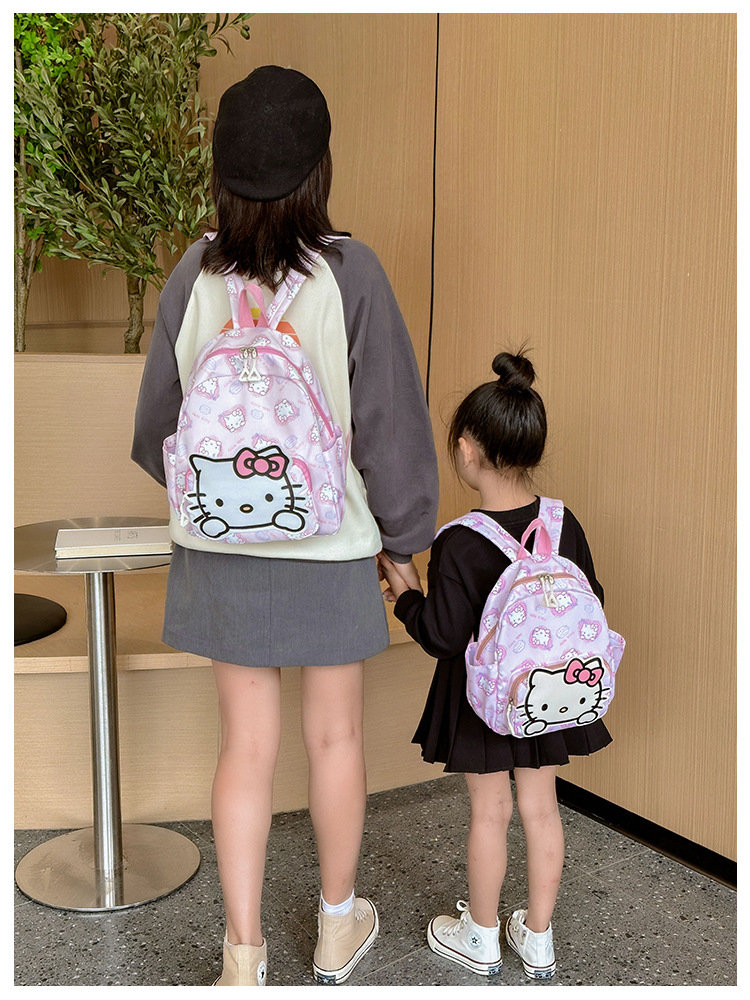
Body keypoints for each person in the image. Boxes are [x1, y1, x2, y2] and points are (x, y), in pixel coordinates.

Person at [131, 65, 438, 987]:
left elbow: (157, 431)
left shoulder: (192, 273)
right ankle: (338, 929)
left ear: (221, 171)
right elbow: (389, 421)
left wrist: (218, 506)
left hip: (220, 546)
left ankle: (243, 956)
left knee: (245, 748)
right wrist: (402, 538)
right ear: (319, 168)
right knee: (334, 739)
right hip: (330, 546)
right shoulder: (351, 272)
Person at [378, 350, 613, 981]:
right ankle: (538, 939)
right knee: (542, 809)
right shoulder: (563, 522)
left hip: (482, 702)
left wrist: (407, 594)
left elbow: (443, 635)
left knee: (490, 812)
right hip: (548, 692)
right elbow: (590, 600)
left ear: (466, 449)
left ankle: (480, 936)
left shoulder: (460, 539)